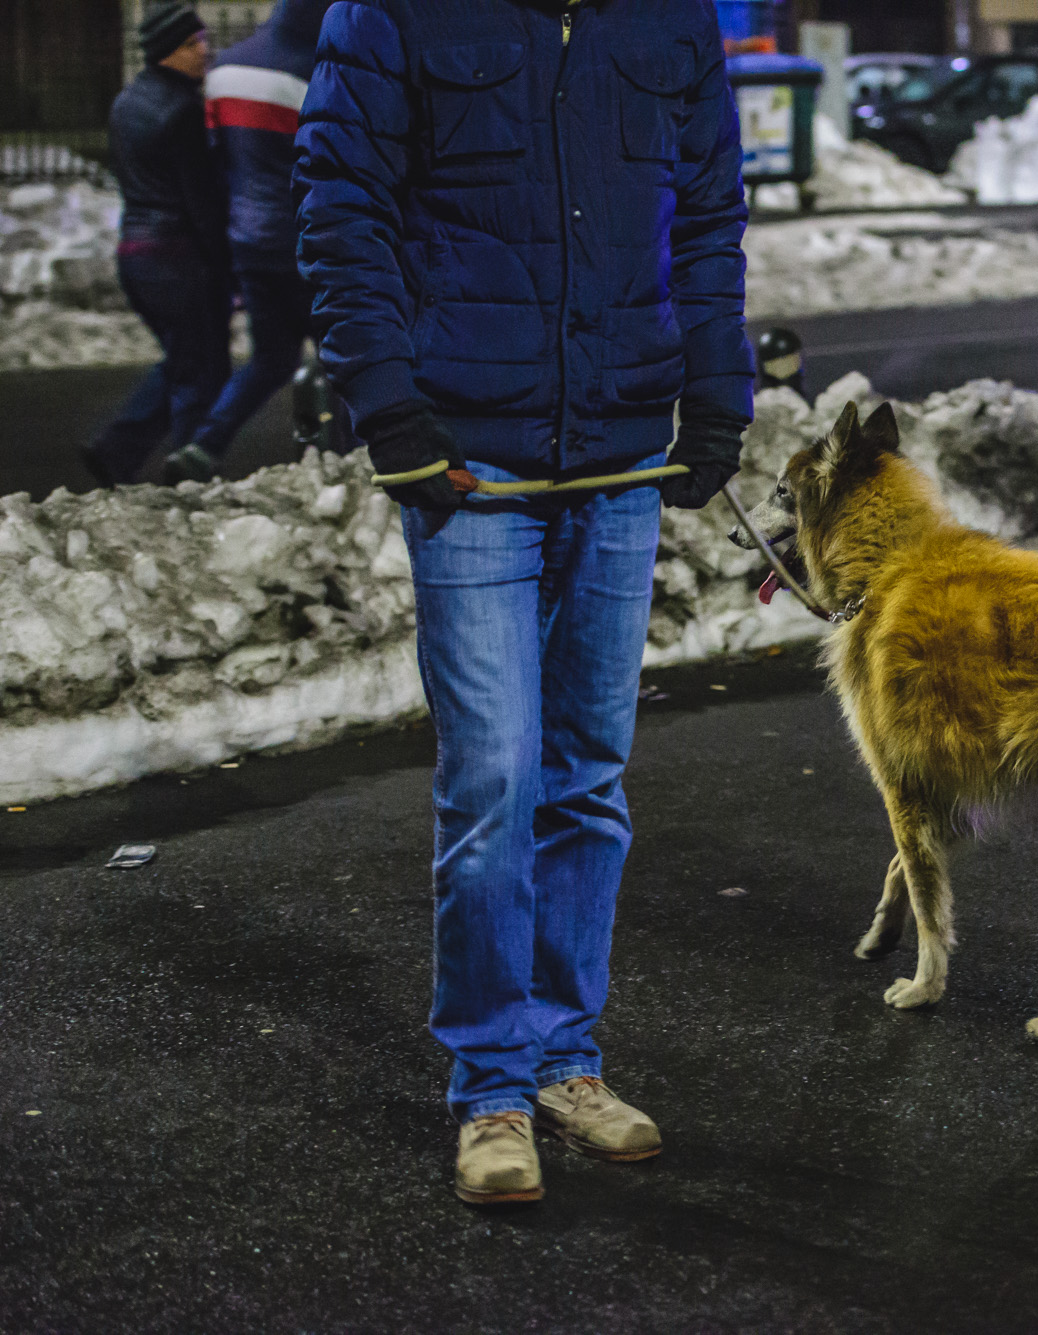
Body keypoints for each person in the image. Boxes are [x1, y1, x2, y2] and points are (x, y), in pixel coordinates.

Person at [295, 0, 753, 1206]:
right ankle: (492, 1083)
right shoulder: (391, 9)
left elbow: (707, 210)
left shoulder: (671, 17)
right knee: (493, 775)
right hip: (467, 453)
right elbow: (343, 206)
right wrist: (388, 402)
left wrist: (714, 388)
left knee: (587, 772)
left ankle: (565, 1059)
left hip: (622, 449)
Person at [163, 0, 337, 484]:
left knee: (272, 357)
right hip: (305, 241)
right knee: (345, 356)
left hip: (248, 236)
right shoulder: (310, 76)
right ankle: (343, 461)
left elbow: (218, 157)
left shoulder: (225, 69)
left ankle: (204, 445)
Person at [81, 2, 232, 487]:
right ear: (167, 50)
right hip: (176, 257)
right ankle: (188, 479)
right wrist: (225, 266)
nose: (203, 51)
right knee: (200, 371)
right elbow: (200, 201)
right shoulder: (181, 111)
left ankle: (115, 453)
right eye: (192, 43)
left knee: (186, 360)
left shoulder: (127, 102)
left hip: (136, 253)